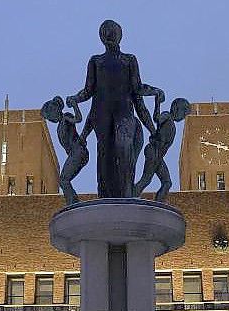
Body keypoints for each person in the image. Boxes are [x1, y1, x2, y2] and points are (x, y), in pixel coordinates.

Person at [67, 20, 159, 198]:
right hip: (102, 117)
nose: (109, 35)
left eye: (113, 31)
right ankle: (106, 199)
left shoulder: (129, 60)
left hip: (124, 115)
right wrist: (75, 98)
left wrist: (154, 93)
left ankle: (126, 196)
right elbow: (88, 90)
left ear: (120, 35)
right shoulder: (96, 61)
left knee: (124, 151)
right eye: (106, 32)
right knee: (105, 158)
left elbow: (137, 90)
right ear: (102, 37)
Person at [135, 96, 190, 201]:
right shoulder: (167, 116)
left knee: (167, 182)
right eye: (183, 114)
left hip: (158, 155)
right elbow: (157, 118)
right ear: (177, 108)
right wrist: (157, 102)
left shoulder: (172, 124)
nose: (183, 117)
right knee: (146, 179)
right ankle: (129, 196)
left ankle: (158, 204)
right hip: (154, 151)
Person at [40, 96, 90, 205]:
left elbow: (78, 119)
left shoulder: (66, 117)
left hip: (78, 152)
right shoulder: (59, 127)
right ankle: (73, 202)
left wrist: (75, 105)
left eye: (49, 116)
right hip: (75, 153)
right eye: (48, 118)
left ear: (55, 110)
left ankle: (73, 203)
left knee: (63, 180)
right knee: (63, 180)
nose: (50, 119)